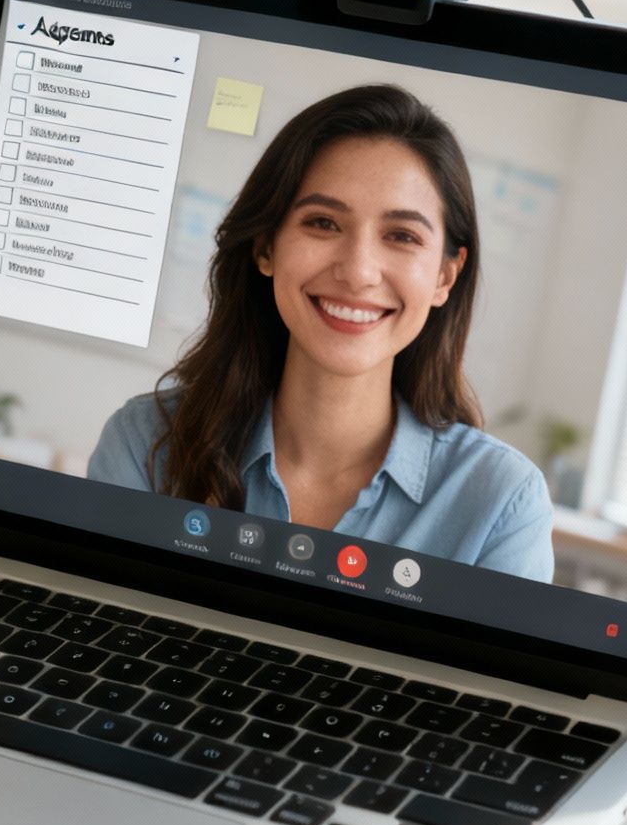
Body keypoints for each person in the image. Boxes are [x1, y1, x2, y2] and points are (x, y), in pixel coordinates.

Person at [87, 83, 554, 581]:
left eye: (401, 235)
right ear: (266, 247)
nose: (358, 272)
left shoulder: (501, 504)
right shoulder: (145, 445)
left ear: (444, 276)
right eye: (323, 223)